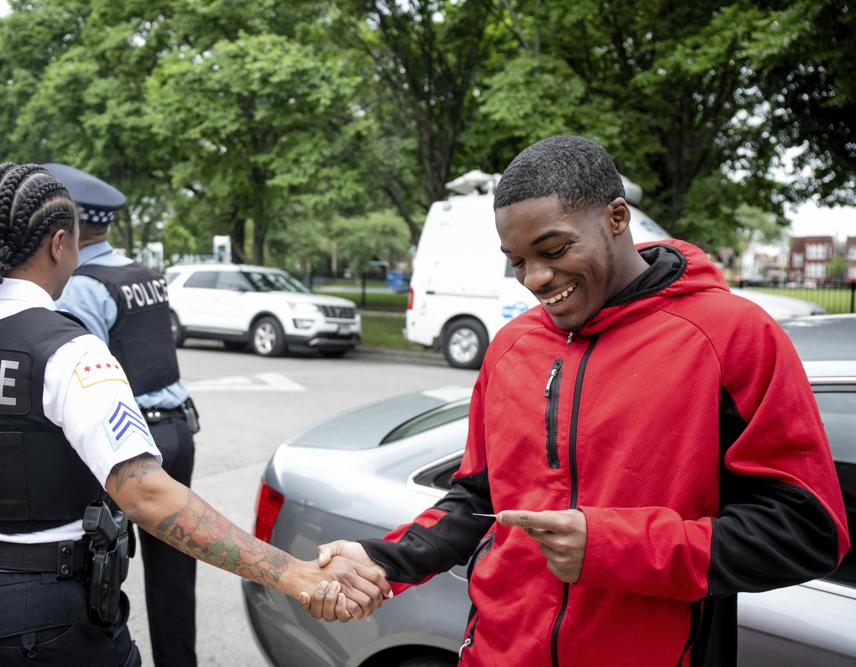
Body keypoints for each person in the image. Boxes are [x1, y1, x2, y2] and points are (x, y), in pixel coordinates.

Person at [304, 136, 850, 665]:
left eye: (554, 249)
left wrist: (616, 546)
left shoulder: (731, 337)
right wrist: (381, 559)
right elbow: (477, 500)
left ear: (617, 219)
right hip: (496, 655)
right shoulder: (510, 348)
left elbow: (807, 532)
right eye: (516, 261)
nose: (535, 279)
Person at [0, 163, 389, 666]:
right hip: (34, 621)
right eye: (76, 244)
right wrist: (293, 573)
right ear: (59, 244)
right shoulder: (68, 351)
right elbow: (147, 496)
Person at [46, 162, 199, 667]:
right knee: (174, 576)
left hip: (128, 444)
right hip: (178, 430)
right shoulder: (143, 274)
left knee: (103, 569)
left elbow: (79, 374)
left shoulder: (82, 286)